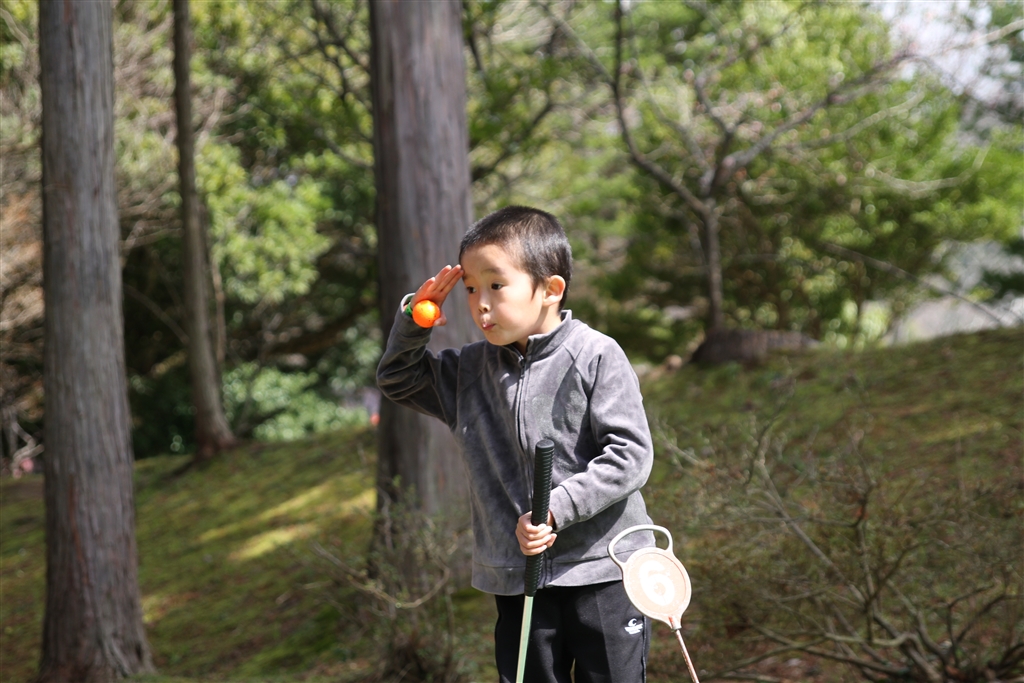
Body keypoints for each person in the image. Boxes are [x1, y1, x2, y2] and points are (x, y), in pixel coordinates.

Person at [377, 205, 656, 682]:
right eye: (470, 289)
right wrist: (413, 321)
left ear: (550, 289)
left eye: (496, 285)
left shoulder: (595, 354)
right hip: (516, 577)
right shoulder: (467, 371)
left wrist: (555, 509)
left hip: (604, 570)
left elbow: (630, 455)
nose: (480, 304)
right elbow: (398, 379)